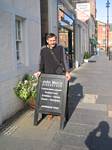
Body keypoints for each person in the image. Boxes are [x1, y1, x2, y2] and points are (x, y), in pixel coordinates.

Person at [34, 33, 71, 120]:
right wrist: (39, 71)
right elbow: (41, 62)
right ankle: (50, 112)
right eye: (51, 41)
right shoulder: (43, 49)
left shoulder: (60, 48)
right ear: (47, 41)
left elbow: (64, 60)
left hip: (58, 74)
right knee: (49, 94)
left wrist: (67, 72)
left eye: (54, 40)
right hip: (47, 73)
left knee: (59, 94)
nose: (53, 42)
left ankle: (59, 112)